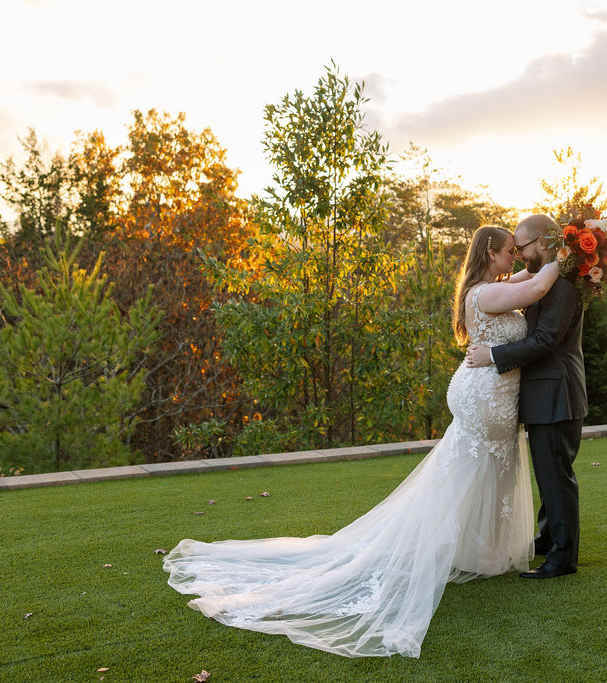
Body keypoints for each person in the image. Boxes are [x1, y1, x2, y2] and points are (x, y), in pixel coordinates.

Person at [163, 225, 560, 658]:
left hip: (494, 394)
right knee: (469, 472)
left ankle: (479, 553)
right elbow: (537, 284)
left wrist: (557, 259)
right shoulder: (484, 294)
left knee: (485, 472)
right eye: (508, 252)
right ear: (489, 252)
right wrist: (575, 254)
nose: (515, 260)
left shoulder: (493, 285)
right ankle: (445, 549)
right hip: (483, 395)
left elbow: (528, 279)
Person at [466, 213, 586, 579]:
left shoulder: (561, 287)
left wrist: (495, 355)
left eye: (522, 247)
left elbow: (546, 340)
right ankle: (550, 541)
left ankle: (562, 559)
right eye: (512, 249)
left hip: (556, 393)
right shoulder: (546, 281)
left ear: (542, 243)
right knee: (549, 477)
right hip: (544, 394)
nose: (518, 255)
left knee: (556, 478)